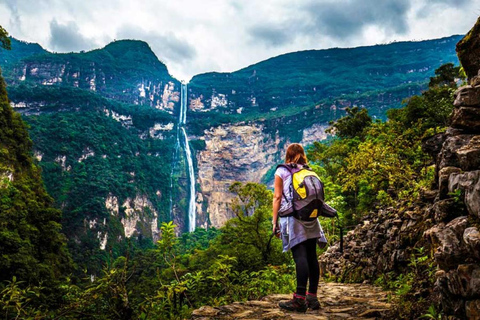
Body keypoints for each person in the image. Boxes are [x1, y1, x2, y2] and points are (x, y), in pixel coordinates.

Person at [272, 143, 330, 312]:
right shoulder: (310, 171)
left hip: (293, 218)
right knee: (312, 256)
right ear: (303, 155)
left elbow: (277, 197)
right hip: (311, 217)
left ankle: (299, 299)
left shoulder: (281, 171)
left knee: (300, 256)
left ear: (288, 155)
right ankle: (312, 297)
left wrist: (274, 222)